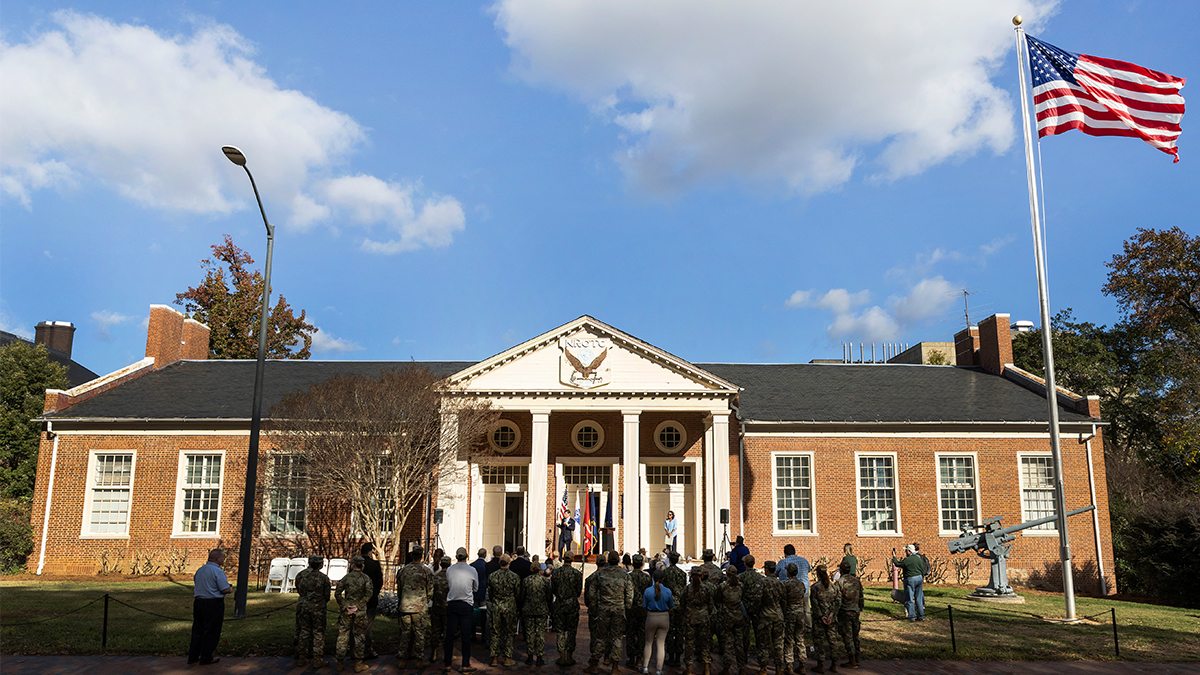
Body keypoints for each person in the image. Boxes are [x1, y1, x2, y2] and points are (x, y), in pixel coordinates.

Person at [588, 550, 634, 674]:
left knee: (601, 637)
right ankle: (615, 667)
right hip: (619, 609)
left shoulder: (601, 573)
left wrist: (594, 607)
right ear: (618, 560)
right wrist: (627, 607)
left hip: (604, 609)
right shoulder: (625, 574)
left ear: (608, 560)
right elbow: (629, 593)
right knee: (617, 638)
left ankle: (594, 664)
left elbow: (592, 592)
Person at [188, 548, 232, 665]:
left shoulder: (200, 570)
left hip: (199, 602)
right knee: (212, 631)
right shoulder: (217, 571)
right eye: (222, 557)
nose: (224, 559)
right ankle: (206, 656)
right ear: (217, 558)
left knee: (198, 630)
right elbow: (224, 589)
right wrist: (230, 588)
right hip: (214, 603)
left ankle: (193, 656)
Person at [335, 556, 373, 673]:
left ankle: (340, 663)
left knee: (343, 635)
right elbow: (368, 594)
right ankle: (358, 664)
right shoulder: (366, 578)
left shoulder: (346, 578)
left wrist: (345, 605)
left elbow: (337, 593)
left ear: (352, 565)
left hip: (347, 610)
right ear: (362, 565)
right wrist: (359, 606)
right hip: (359, 612)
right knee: (359, 637)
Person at [396, 546, 434, 665]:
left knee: (405, 632)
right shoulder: (426, 570)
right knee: (419, 633)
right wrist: (426, 600)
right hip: (420, 606)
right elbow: (430, 590)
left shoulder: (403, 570)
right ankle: (419, 659)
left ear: (412, 555)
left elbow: (399, 588)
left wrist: (402, 599)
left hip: (405, 605)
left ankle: (402, 659)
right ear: (421, 555)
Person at [444, 547, 479, 673]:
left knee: (449, 635)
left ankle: (447, 664)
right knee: (466, 636)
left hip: (452, 603)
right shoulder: (472, 570)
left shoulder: (449, 569)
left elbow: (449, 583)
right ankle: (465, 664)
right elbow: (476, 588)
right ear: (467, 556)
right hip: (465, 604)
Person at [294, 555, 331, 670]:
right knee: (318, 633)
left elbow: (298, 590)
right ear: (320, 564)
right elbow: (327, 595)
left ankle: (301, 658)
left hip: (304, 606)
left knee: (304, 631)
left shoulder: (301, 575)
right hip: (318, 608)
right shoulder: (324, 578)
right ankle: (317, 660)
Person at [680, 566, 715, 674]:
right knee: (705, 643)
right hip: (703, 618)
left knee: (690, 644)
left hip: (690, 618)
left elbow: (682, 604)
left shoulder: (687, 589)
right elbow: (711, 605)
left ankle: (689, 669)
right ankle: (707, 669)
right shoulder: (706, 588)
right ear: (702, 575)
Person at [488, 554, 521, 667]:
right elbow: (517, 593)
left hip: (497, 605)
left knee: (495, 632)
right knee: (509, 632)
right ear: (509, 563)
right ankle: (508, 658)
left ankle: (494, 658)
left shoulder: (492, 576)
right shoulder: (514, 577)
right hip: (509, 606)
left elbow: (491, 593)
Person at [550, 555, 584, 667]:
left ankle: (562, 655)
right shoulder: (577, 574)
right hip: (571, 605)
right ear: (572, 560)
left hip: (559, 604)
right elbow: (578, 591)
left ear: (564, 559)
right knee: (571, 630)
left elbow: (553, 589)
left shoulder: (555, 573)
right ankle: (569, 655)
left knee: (560, 630)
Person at [641, 568, 674, 675]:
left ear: (652, 578)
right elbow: (671, 606)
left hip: (651, 616)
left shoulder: (647, 591)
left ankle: (645, 667)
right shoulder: (668, 591)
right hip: (664, 617)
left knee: (648, 643)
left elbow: (644, 606)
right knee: (661, 644)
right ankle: (659, 670)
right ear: (663, 578)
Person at [716, 566, 748, 675]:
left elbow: (718, 600)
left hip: (727, 617)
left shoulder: (723, 586)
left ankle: (726, 668)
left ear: (727, 574)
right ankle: (742, 667)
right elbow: (742, 599)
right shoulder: (741, 586)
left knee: (728, 643)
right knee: (739, 643)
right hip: (739, 616)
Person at [809, 564, 841, 674]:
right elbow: (838, 602)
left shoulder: (815, 587)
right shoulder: (833, 587)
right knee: (833, 642)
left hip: (819, 619)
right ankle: (834, 665)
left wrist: (821, 616)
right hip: (831, 619)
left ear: (817, 573)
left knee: (819, 642)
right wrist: (832, 614)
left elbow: (814, 603)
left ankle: (821, 665)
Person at [757, 561, 787, 675]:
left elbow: (758, 599)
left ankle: (763, 668)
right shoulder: (780, 583)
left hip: (765, 616)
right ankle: (779, 668)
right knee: (778, 644)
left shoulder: (762, 582)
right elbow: (784, 601)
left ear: (767, 570)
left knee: (764, 644)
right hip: (778, 615)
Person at [834, 561, 864, 669]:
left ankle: (852, 660)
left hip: (845, 612)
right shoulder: (857, 581)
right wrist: (860, 607)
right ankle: (857, 657)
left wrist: (834, 613)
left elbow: (837, 599)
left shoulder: (839, 582)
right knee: (855, 635)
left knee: (847, 636)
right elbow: (861, 596)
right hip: (855, 611)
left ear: (841, 570)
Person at [521, 563, 553, 665]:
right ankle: (539, 657)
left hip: (528, 609)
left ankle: (530, 656)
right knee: (540, 634)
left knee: (529, 633)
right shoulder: (545, 581)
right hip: (541, 610)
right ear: (539, 570)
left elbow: (522, 595)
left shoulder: (526, 580)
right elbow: (549, 596)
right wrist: (549, 607)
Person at [782, 562, 810, 675]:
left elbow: (783, 599)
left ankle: (789, 666)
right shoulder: (801, 584)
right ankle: (802, 665)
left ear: (788, 572)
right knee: (800, 639)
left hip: (790, 614)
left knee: (789, 640)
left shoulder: (786, 584)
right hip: (800, 614)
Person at [738, 554, 764, 671]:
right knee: (759, 636)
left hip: (745, 609)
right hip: (758, 609)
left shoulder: (741, 577)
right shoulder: (760, 577)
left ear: (745, 564)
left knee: (745, 635)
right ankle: (762, 661)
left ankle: (744, 659)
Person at [661, 551, 688, 668]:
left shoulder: (665, 573)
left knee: (670, 631)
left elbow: (663, 588)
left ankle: (671, 656)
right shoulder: (682, 573)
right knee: (679, 631)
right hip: (680, 605)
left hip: (669, 605)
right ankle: (678, 657)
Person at [626, 554, 653, 668]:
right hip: (643, 608)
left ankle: (632, 658)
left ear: (633, 563)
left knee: (631, 632)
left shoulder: (628, 577)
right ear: (642, 564)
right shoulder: (647, 578)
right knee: (642, 633)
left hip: (631, 607)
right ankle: (639, 658)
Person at [361, 543, 384, 659]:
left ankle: (356, 649)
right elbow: (380, 581)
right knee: (368, 626)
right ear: (370, 552)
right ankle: (367, 650)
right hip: (371, 599)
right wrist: (375, 593)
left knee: (356, 626)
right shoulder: (374, 564)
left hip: (357, 600)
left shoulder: (356, 565)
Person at [892, 545, 925, 621]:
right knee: (919, 598)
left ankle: (912, 616)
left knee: (909, 598)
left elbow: (898, 564)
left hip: (910, 579)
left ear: (909, 551)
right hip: (919, 578)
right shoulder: (918, 558)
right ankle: (921, 616)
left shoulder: (907, 560)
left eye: (906, 550)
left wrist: (894, 556)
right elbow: (922, 569)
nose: (905, 552)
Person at [431, 556, 451, 663]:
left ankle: (434, 652)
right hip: (447, 608)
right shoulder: (451, 578)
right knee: (447, 631)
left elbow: (430, 592)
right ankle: (446, 654)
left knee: (436, 630)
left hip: (436, 607)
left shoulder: (435, 577)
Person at [472, 548, 491, 646]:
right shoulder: (486, 566)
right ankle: (484, 636)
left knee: (473, 614)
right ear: (485, 555)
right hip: (483, 592)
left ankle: (473, 634)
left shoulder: (472, 565)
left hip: (474, 593)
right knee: (484, 616)